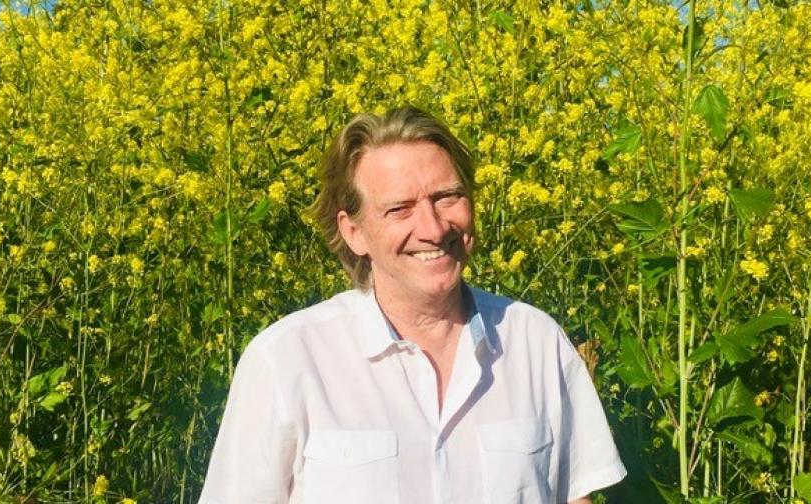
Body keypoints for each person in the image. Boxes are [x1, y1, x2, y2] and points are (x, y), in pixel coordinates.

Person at [199, 107, 626, 503]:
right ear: (354, 232)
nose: (434, 227)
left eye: (447, 197)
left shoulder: (535, 342)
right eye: (400, 209)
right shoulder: (287, 360)